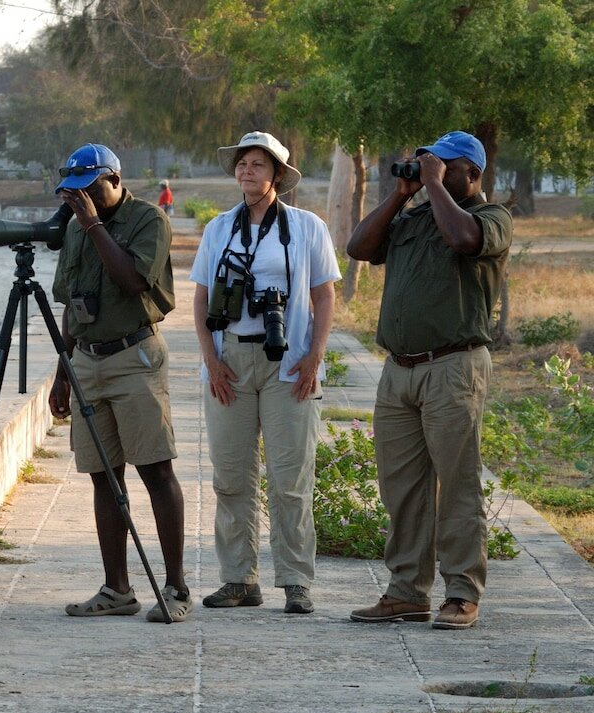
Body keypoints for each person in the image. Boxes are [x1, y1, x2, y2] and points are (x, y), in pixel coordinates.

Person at [347, 131, 512, 630]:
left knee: (457, 485)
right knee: (401, 488)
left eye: (444, 166)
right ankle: (406, 591)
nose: (430, 172)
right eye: (427, 165)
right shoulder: (416, 214)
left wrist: (434, 185)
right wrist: (401, 194)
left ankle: (461, 592)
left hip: (453, 367)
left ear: (473, 173)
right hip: (399, 370)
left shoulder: (491, 218)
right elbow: (358, 246)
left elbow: (464, 240)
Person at [189, 131, 341, 615]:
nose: (247, 171)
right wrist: (211, 361)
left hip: (287, 361)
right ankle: (238, 579)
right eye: (241, 164)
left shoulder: (306, 227)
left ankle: (296, 581)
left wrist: (315, 357)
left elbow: (324, 296)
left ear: (277, 174)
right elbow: (200, 299)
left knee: (290, 476)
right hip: (230, 360)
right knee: (231, 477)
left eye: (258, 164)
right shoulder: (218, 229)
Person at [49, 143, 192, 623]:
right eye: (73, 192)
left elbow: (133, 281)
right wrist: (61, 374)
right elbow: (72, 302)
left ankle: (175, 587)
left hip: (135, 356)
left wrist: (92, 225)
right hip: (87, 360)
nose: (80, 198)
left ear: (113, 178)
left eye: (88, 189)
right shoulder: (74, 228)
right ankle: (117, 588)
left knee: (155, 470)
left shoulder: (148, 220)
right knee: (103, 476)